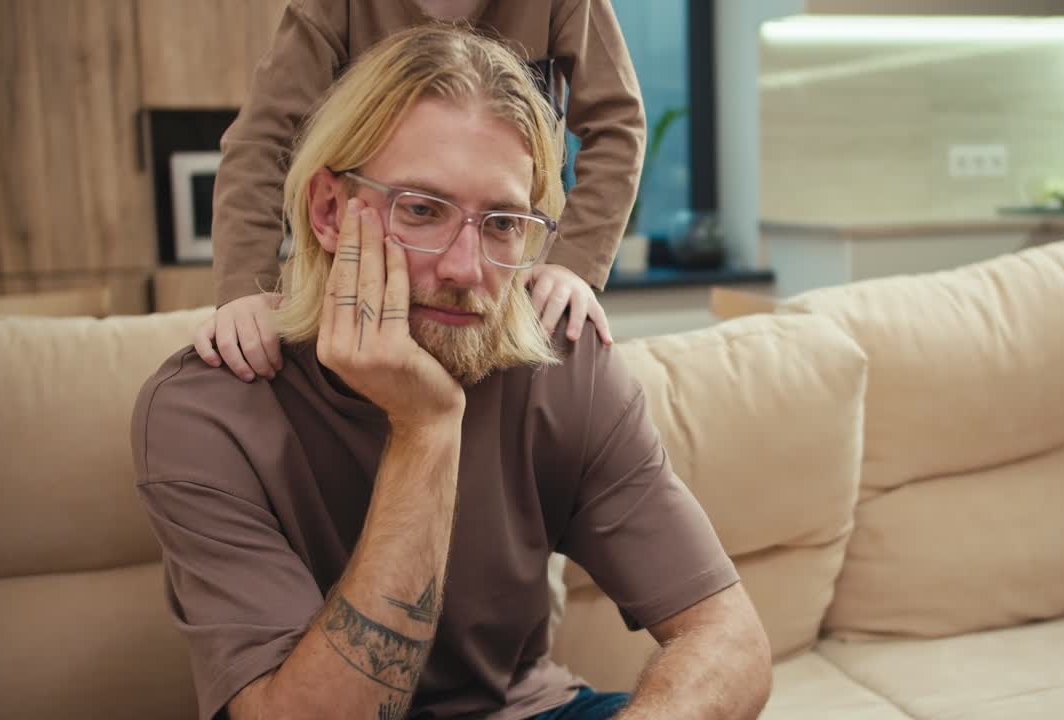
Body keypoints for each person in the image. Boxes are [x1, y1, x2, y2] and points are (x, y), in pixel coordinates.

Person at [133, 24, 771, 720]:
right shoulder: (206, 412)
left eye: (502, 223)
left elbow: (729, 638)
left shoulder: (564, 362)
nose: (467, 270)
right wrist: (424, 426)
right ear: (326, 211)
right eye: (422, 210)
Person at [195, 0, 646, 383]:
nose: (459, 268)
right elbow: (262, 140)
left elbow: (618, 125)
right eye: (422, 208)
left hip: (505, 292)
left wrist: (573, 265)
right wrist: (244, 287)